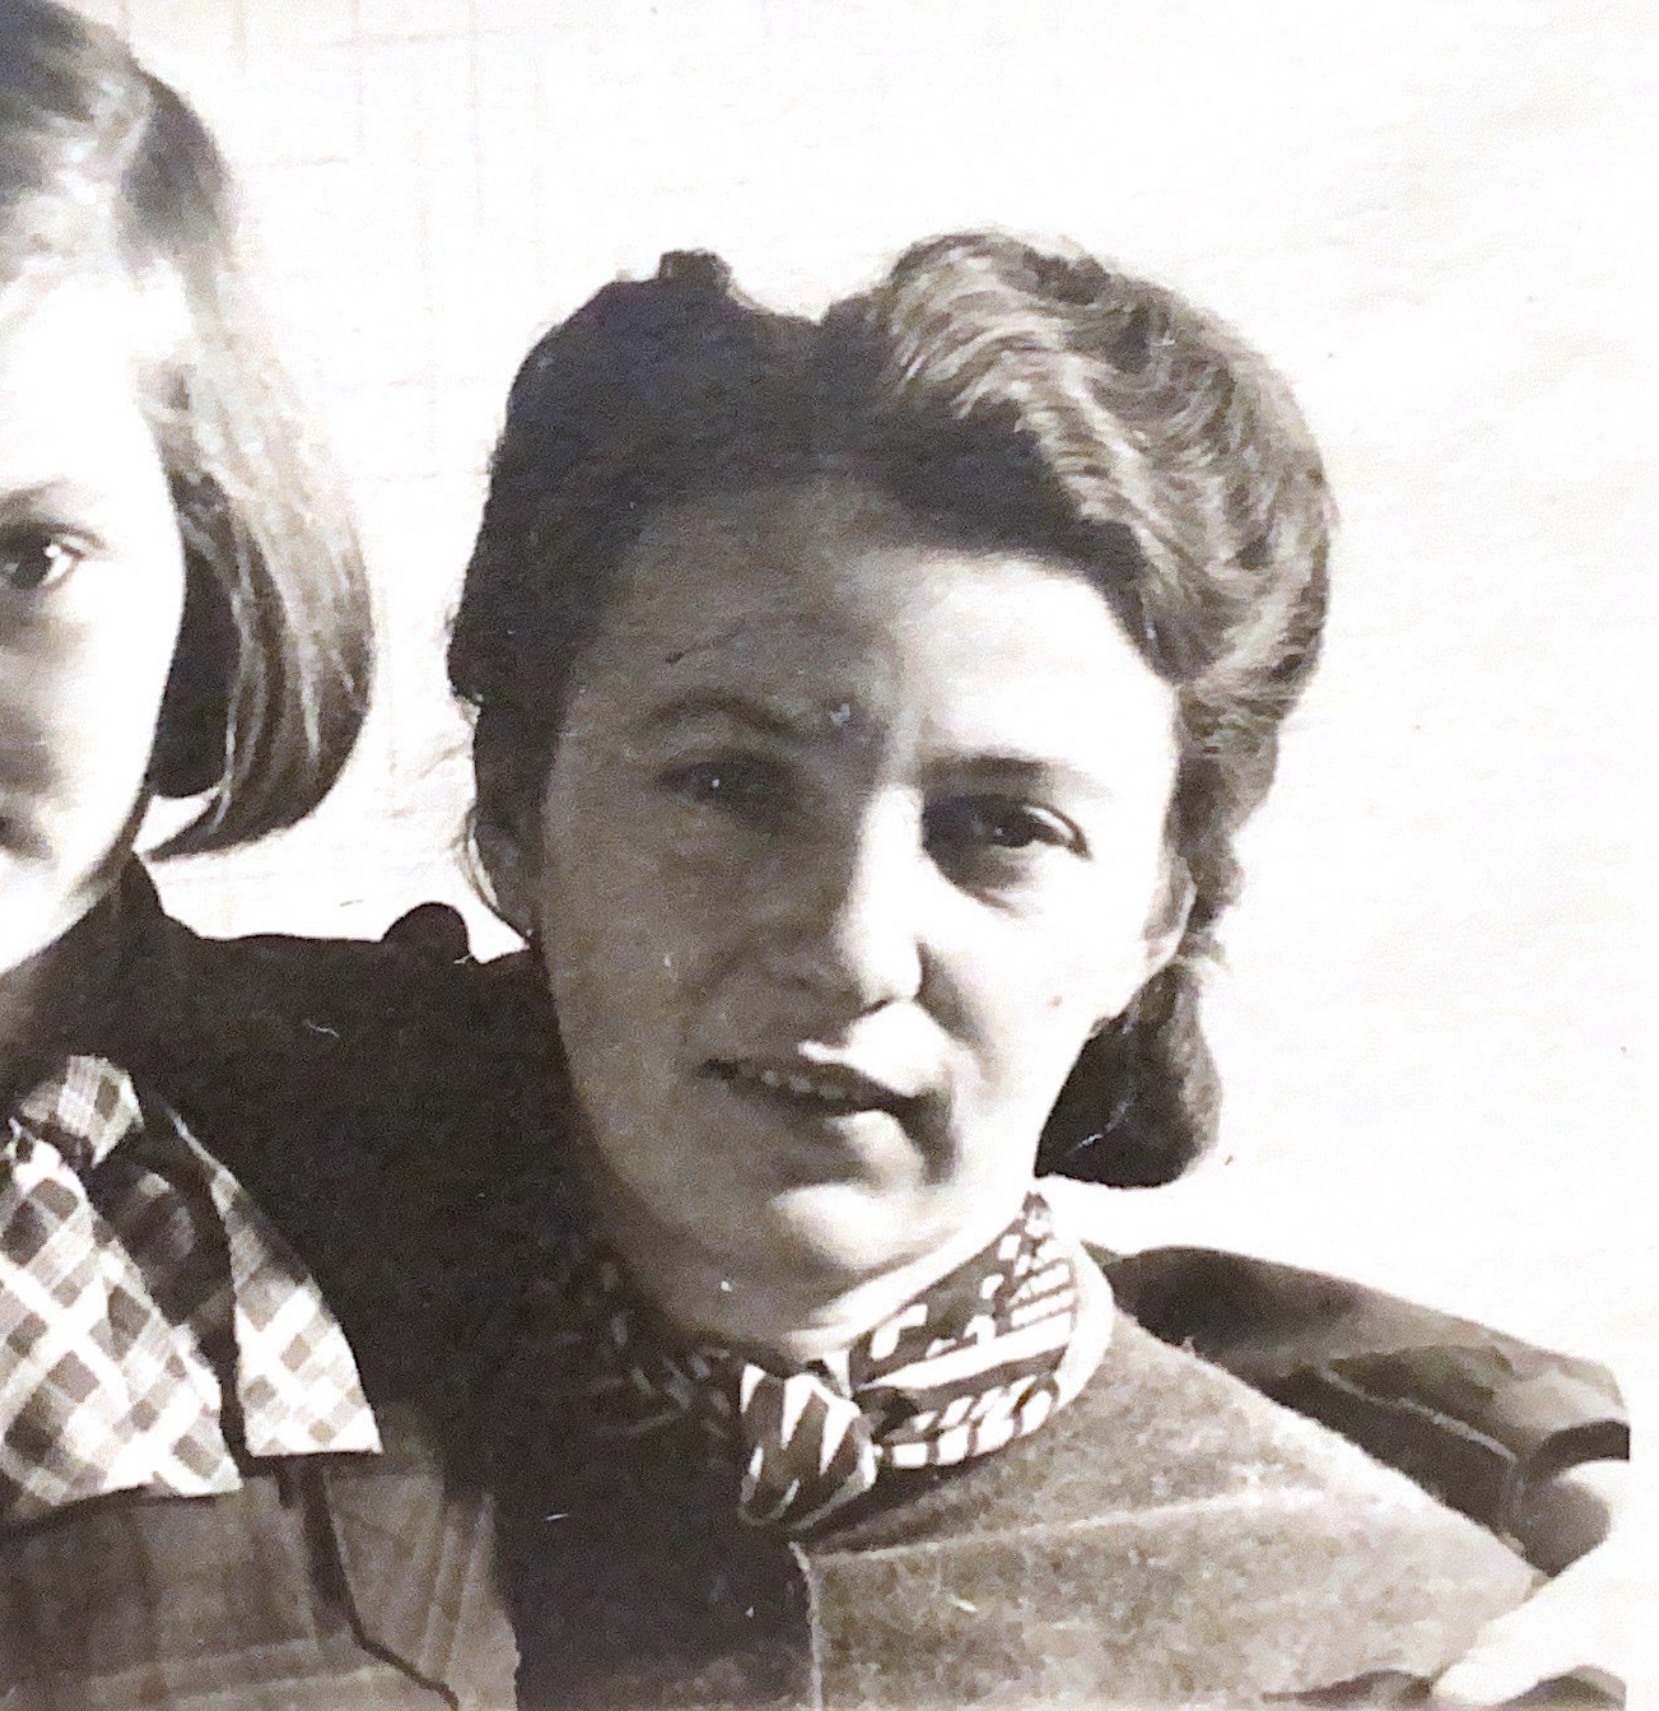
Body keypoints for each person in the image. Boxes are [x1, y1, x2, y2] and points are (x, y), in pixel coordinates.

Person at [0, 0, 1624, 1707]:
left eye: (15, 565)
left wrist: (1559, 1459)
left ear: (205, 542)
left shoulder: (367, 1085)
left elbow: (956, 1284)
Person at [383, 235, 1622, 1704]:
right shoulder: (213, 1437)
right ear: (516, 816)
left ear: (1155, 915)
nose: (850, 945)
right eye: (728, 785)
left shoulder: (1411, 1649)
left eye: (1002, 828)